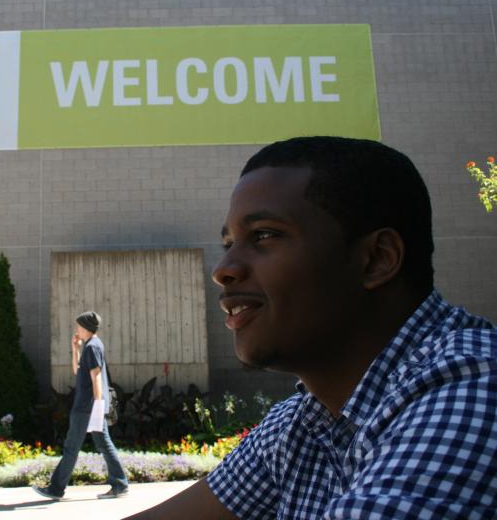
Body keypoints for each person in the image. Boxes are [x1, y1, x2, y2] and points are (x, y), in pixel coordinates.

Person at [125, 136, 497, 519]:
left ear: (376, 259)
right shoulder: (300, 424)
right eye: (229, 244)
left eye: (264, 235)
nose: (223, 271)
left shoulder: (476, 384)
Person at [34, 311, 128, 500]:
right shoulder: (90, 346)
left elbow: (96, 377)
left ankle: (56, 489)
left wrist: (98, 406)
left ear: (85, 327)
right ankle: (119, 484)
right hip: (91, 406)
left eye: (78, 325)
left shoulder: (92, 346)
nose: (76, 329)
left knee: (71, 447)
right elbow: (78, 371)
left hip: (87, 407)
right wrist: (75, 349)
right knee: (103, 443)